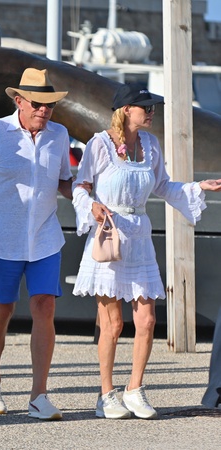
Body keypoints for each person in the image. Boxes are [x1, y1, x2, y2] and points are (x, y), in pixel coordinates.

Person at [71, 84, 221, 420]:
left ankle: (135, 389)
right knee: (112, 324)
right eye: (146, 107)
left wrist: (198, 186)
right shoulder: (99, 144)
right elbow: (80, 186)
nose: (152, 112)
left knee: (148, 320)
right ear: (126, 110)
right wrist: (91, 205)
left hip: (139, 237)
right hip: (110, 235)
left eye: (153, 107)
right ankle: (106, 394)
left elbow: (163, 185)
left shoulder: (151, 145)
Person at [0, 68, 73, 420]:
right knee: (3, 308)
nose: (44, 110)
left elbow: (65, 181)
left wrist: (88, 199)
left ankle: (39, 394)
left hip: (45, 238)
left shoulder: (59, 135)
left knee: (45, 307)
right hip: (2, 240)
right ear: (19, 102)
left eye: (49, 105)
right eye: (37, 104)